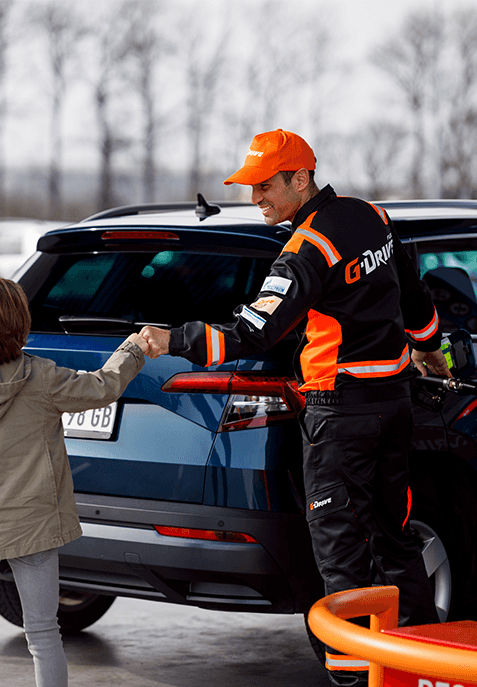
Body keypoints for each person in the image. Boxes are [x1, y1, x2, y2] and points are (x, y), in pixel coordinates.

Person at [139, 129, 449, 687]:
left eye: (264, 187)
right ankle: (422, 666)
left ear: (300, 178)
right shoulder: (372, 215)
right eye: (250, 187)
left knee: (340, 552)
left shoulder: (305, 249)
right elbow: (414, 298)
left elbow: (253, 333)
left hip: (341, 417)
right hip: (393, 404)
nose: (255, 198)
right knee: (396, 536)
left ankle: (354, 679)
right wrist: (430, 349)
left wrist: (172, 339)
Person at [0, 274, 147, 687]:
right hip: (36, 526)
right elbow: (103, 387)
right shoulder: (41, 378)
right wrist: (132, 349)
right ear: (18, 322)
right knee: (44, 633)